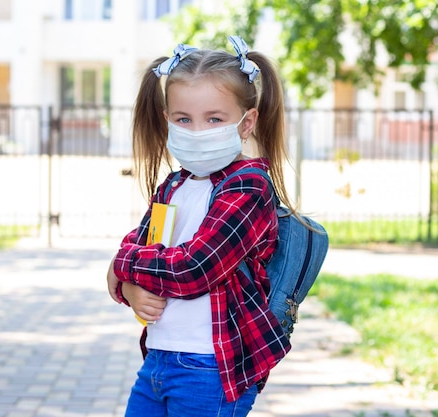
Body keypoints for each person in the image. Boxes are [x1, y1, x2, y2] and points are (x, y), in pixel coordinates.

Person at [106, 35, 295, 417]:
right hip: (158, 359)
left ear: (247, 122)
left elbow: (194, 269)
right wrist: (128, 287)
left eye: (214, 119)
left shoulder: (248, 186)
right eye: (183, 119)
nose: (197, 131)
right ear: (167, 120)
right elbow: (139, 245)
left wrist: (120, 267)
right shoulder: (174, 185)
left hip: (211, 368)